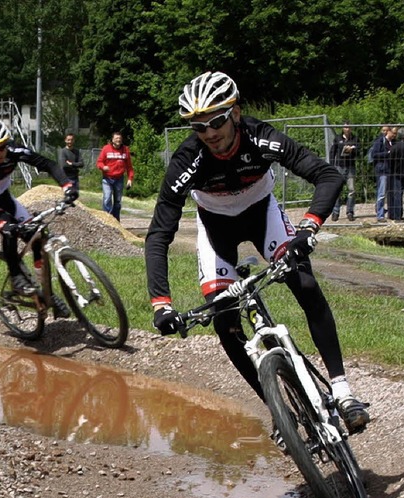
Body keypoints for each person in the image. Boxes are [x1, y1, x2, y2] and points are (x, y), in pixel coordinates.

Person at [145, 71, 370, 437]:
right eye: (198, 127)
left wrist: (309, 227)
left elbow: (328, 176)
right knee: (224, 320)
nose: (209, 133)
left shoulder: (260, 137)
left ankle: (343, 392)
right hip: (215, 228)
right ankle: (278, 410)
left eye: (216, 121)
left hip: (262, 214)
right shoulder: (188, 160)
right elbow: (158, 234)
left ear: (235, 113)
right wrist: (161, 303)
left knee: (305, 284)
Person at [0, 117, 77, 315]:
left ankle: (44, 293)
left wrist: (67, 186)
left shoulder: (13, 150)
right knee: (8, 228)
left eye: (1, 146)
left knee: (36, 237)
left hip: (4, 196)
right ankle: (16, 277)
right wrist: (0, 225)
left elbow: (48, 164)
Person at [96, 131, 134, 221]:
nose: (118, 140)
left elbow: (129, 167)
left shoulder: (125, 150)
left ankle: (116, 221)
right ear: (112, 139)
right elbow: (99, 162)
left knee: (117, 202)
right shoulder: (106, 149)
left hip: (119, 179)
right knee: (107, 198)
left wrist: (130, 179)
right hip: (107, 178)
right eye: (116, 138)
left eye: (120, 139)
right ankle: (107, 220)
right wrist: (103, 167)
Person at [329, 121, 359, 222]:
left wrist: (352, 150)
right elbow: (332, 152)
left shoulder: (355, 139)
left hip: (351, 166)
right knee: (337, 190)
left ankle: (350, 212)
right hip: (339, 166)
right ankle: (335, 212)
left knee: (352, 190)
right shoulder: (337, 138)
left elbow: (358, 152)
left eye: (349, 127)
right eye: (346, 127)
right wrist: (332, 166)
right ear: (343, 128)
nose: (347, 129)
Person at [371, 125, 397, 221]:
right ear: (388, 132)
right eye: (393, 133)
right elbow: (374, 154)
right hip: (382, 170)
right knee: (381, 193)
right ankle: (380, 215)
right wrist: (388, 154)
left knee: (391, 193)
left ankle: (392, 214)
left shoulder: (394, 142)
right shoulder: (379, 142)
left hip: (392, 170)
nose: (394, 135)